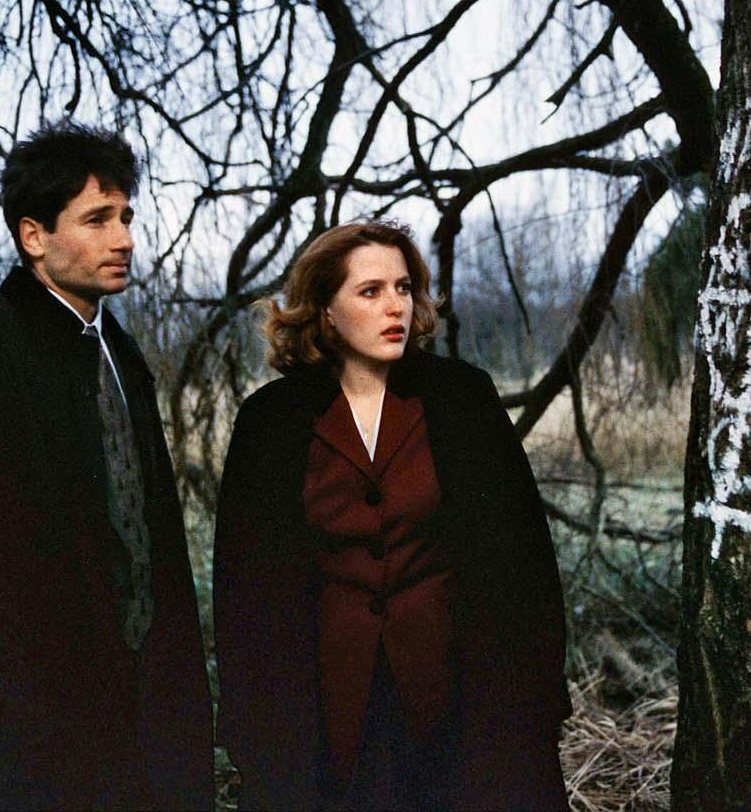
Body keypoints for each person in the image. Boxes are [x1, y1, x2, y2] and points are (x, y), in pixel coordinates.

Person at [0, 123, 212, 810]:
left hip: (135, 730)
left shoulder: (122, 356)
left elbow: (146, 547)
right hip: (11, 748)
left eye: (126, 217)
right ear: (33, 236)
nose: (124, 239)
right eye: (96, 220)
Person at [214, 221, 571, 810]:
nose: (395, 307)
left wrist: (536, 693)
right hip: (329, 708)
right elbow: (245, 587)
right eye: (370, 291)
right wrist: (252, 726)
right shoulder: (271, 420)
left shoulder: (461, 397)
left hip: (456, 697)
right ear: (326, 310)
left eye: (403, 288)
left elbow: (524, 557)